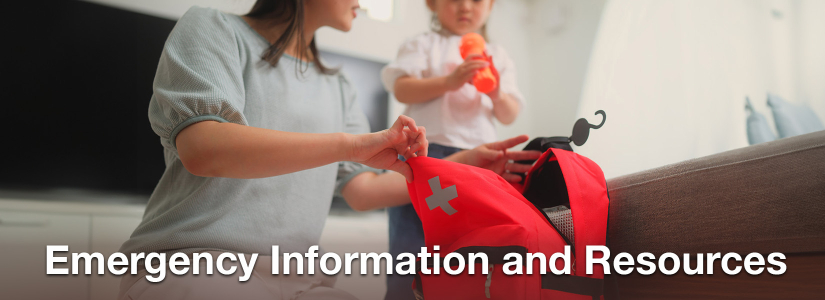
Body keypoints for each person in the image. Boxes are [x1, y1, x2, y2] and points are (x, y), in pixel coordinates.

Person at [117, 0, 540, 299]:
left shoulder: (338, 88)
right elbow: (204, 148)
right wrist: (350, 145)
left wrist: (466, 164)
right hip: (194, 265)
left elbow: (363, 192)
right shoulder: (211, 29)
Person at [380, 0, 526, 298]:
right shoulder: (423, 43)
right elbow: (402, 88)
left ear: (491, 5)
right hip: (425, 155)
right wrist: (450, 80)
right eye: (453, 0)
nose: (465, 7)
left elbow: (509, 113)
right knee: (410, 241)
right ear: (432, 4)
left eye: (476, 1)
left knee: (467, 241)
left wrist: (496, 92)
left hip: (476, 160)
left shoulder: (497, 55)